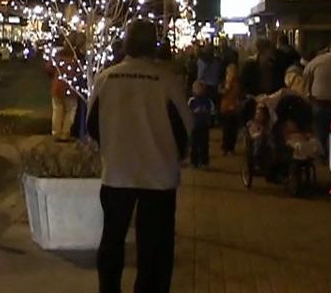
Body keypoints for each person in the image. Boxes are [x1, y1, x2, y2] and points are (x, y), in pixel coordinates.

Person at [87, 20, 191, 293]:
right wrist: (176, 154)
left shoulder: (106, 78)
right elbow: (184, 127)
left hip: (118, 172)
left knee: (112, 240)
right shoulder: (166, 79)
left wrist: (113, 146)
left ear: (126, 43)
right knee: (154, 247)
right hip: (159, 175)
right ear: (154, 44)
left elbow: (91, 125)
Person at [46, 33, 81, 141]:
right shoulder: (77, 57)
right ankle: (65, 133)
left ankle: (56, 133)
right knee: (70, 110)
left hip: (58, 86)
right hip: (71, 87)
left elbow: (49, 68)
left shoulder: (58, 55)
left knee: (57, 110)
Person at [188, 81, 214, 169]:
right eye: (198, 88)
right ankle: (193, 162)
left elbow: (212, 111)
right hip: (194, 127)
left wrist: (209, 120)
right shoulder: (192, 101)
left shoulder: (207, 101)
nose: (200, 90)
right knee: (194, 145)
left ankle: (204, 162)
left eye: (201, 88)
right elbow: (188, 111)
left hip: (204, 126)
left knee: (204, 145)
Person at [219, 62, 243, 155]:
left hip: (233, 107)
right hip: (227, 106)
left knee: (232, 129)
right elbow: (222, 92)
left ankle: (230, 147)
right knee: (227, 129)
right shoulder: (227, 82)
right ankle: (226, 147)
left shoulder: (236, 82)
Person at [195, 45, 222, 109]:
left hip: (205, 87)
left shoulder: (201, 61)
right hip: (215, 86)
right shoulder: (217, 61)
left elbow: (200, 75)